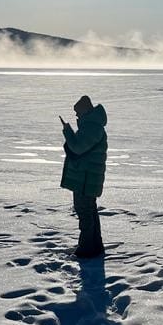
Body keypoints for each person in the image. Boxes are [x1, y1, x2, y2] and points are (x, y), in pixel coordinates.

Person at [59, 95, 108, 258]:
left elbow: (78, 147)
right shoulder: (91, 126)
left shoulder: (92, 127)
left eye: (78, 113)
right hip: (86, 178)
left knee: (85, 212)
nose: (77, 117)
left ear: (86, 111)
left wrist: (67, 131)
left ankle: (87, 249)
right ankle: (95, 246)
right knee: (89, 211)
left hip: (86, 180)